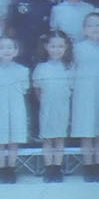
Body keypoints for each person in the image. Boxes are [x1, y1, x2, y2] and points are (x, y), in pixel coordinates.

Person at [70, 12, 99, 182]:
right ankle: (88, 166)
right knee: (86, 130)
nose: (95, 29)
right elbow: (72, 70)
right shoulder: (77, 48)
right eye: (90, 25)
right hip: (84, 93)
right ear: (84, 30)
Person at [0, 35, 31, 184]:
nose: (6, 51)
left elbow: (24, 88)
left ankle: (11, 168)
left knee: (14, 139)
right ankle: (2, 169)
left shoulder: (23, 70)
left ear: (16, 51)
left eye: (10, 47)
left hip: (16, 106)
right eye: (2, 48)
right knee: (0, 139)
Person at [33, 31, 75, 183]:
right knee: (48, 137)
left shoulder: (69, 67)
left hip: (62, 106)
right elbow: (37, 88)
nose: (56, 50)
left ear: (66, 48)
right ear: (46, 47)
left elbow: (71, 88)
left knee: (60, 137)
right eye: (53, 46)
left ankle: (57, 167)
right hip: (47, 107)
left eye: (60, 46)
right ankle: (48, 167)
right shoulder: (41, 67)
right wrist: (43, 102)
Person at [9, 0, 54, 68]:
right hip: (22, 51)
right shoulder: (16, 6)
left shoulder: (49, 5)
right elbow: (11, 31)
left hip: (43, 51)